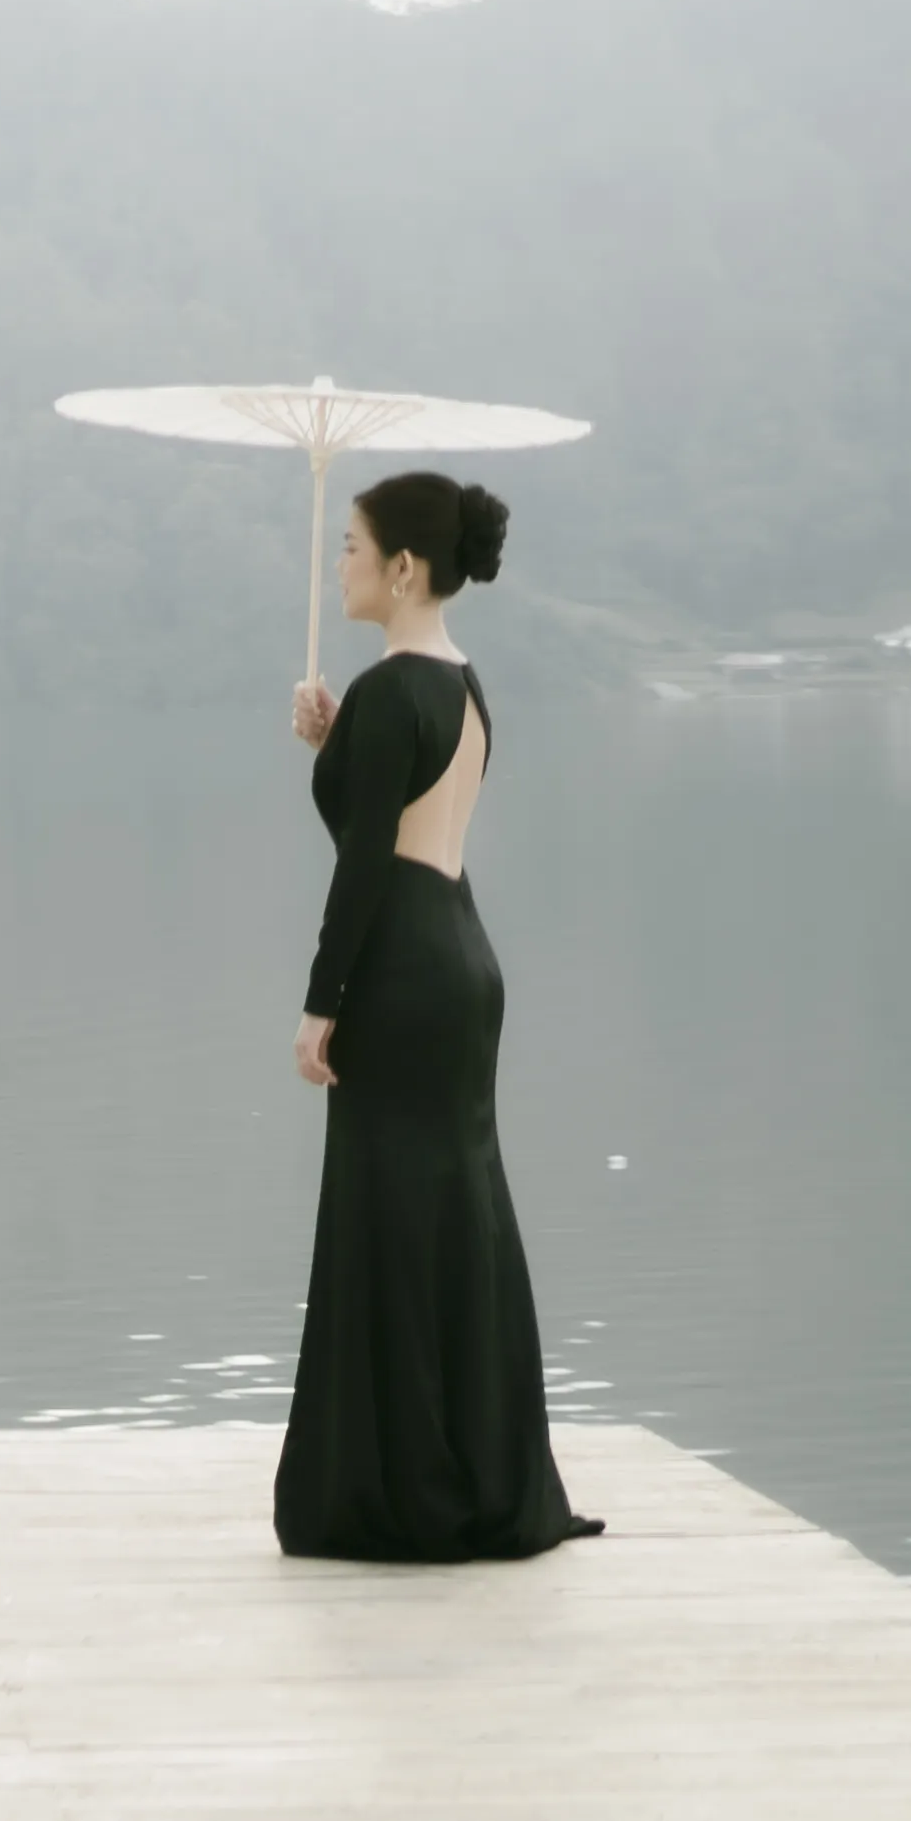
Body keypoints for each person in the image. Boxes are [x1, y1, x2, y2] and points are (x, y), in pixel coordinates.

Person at [275, 468, 600, 1561]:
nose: (340, 565)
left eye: (352, 547)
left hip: (400, 971)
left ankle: (403, 1486)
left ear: (404, 567)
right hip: (462, 957)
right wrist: (335, 745)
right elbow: (410, 817)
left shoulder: (386, 693)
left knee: (388, 1219)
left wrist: (319, 1003)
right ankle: (485, 1466)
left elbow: (365, 864)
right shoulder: (463, 686)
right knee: (459, 1213)